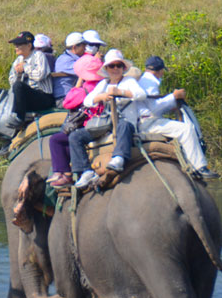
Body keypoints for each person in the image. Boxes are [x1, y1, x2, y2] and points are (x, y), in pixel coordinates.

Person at [70, 49, 147, 189]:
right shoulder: (103, 84)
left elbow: (141, 94)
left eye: (119, 65)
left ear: (123, 68)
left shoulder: (129, 81)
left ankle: (119, 157)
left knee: (124, 125)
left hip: (124, 123)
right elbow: (87, 101)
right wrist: (101, 97)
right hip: (104, 125)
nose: (115, 69)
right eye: (112, 66)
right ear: (106, 68)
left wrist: (120, 93)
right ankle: (86, 171)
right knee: (75, 137)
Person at [138, 56, 219, 179]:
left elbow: (154, 106)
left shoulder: (145, 80)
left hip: (148, 120)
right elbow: (154, 109)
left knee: (181, 128)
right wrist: (173, 96)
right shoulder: (149, 82)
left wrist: (172, 102)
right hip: (148, 123)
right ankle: (198, 167)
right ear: (160, 71)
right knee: (186, 129)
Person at [47, 54, 105, 188]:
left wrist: (79, 82)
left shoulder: (85, 89)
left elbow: (67, 102)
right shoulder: (101, 85)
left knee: (56, 140)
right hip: (101, 122)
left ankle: (65, 174)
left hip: (88, 126)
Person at [6, 31, 54, 125]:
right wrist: (17, 73)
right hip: (25, 96)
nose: (16, 47)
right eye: (15, 45)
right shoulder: (18, 60)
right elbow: (11, 80)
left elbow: (40, 75)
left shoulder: (39, 56)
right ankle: (0, 121)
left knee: (19, 86)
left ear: (28, 45)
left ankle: (19, 118)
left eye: (19, 44)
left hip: (43, 96)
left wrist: (25, 68)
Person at [52, 32, 86, 107]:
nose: (85, 48)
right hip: (64, 98)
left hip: (73, 96)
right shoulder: (64, 60)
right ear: (74, 47)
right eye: (83, 45)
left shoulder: (73, 59)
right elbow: (86, 70)